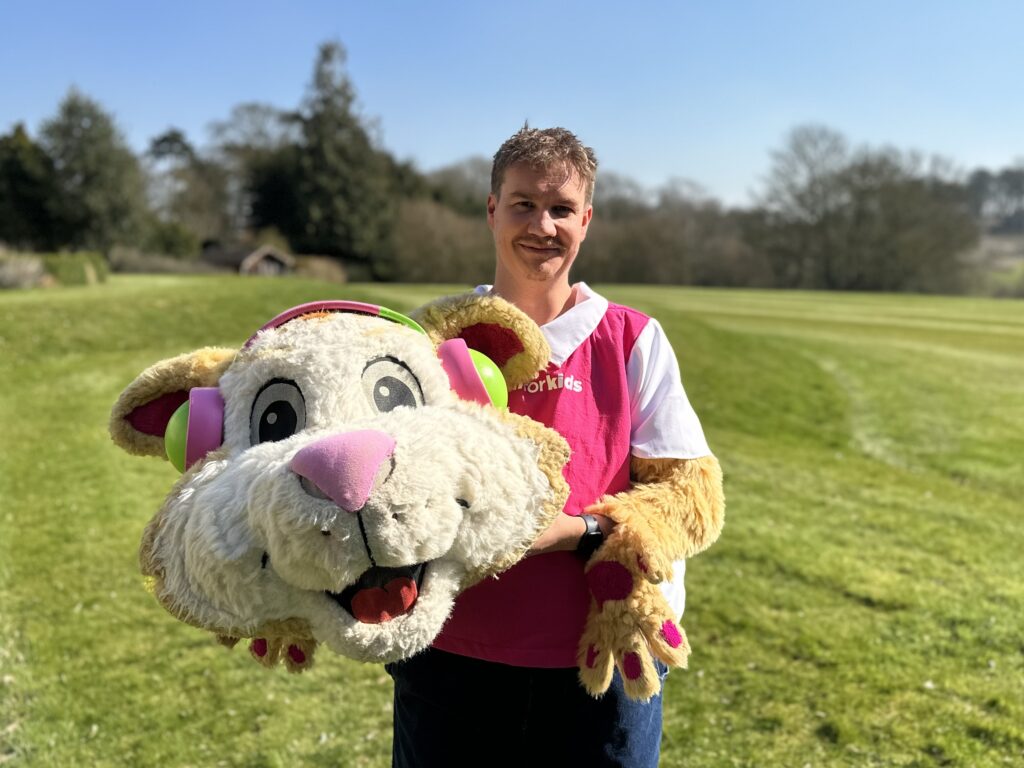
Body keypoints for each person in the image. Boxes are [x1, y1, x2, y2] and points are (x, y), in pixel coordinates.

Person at [387, 126, 720, 767]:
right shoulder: (434, 339)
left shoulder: (632, 338)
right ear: (491, 210)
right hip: (450, 657)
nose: (543, 225)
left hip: (601, 665)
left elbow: (689, 493)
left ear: (586, 220)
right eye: (523, 204)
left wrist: (582, 530)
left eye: (562, 208)